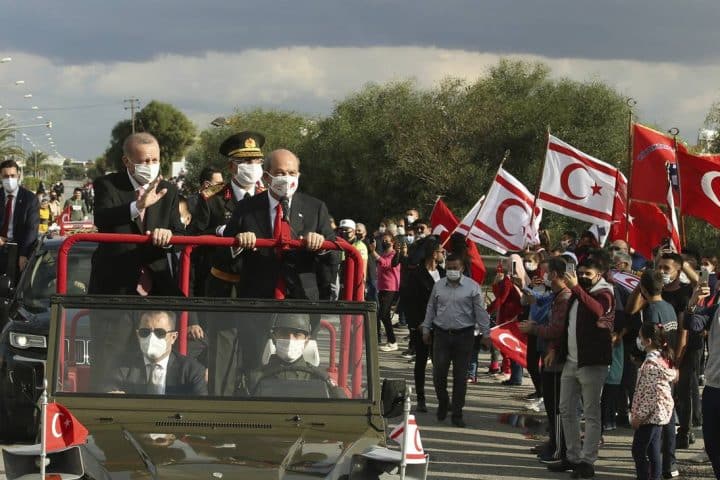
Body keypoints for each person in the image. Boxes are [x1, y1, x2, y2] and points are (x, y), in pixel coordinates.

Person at [90, 132, 186, 386]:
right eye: (144, 160)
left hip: (156, 293)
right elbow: (102, 218)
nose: (150, 165)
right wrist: (137, 206)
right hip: (115, 291)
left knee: (155, 362)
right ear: (127, 161)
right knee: (109, 361)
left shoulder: (169, 190)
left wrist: (170, 235)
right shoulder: (107, 185)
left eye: (155, 159)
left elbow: (180, 232)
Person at [550, 257, 614, 478]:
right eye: (581, 272)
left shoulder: (605, 293)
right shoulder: (576, 295)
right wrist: (555, 349)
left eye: (588, 274)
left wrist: (576, 287)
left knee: (591, 413)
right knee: (566, 409)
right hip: (571, 360)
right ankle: (572, 456)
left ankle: (587, 461)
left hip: (592, 363)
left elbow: (599, 311)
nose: (583, 277)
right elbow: (568, 324)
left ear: (600, 274)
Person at [422, 254, 491, 428]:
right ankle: (443, 401)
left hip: (464, 335)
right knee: (439, 374)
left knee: (460, 377)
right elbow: (431, 308)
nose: (452, 270)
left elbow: (480, 312)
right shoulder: (439, 286)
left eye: (455, 267)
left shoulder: (472, 287)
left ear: (462, 268)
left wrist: (486, 333)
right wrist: (426, 329)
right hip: (441, 334)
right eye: (449, 267)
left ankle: (457, 412)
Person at [519, 256, 573, 465]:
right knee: (551, 405)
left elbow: (557, 330)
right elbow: (541, 306)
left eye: (547, 273)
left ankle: (560, 449)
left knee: (558, 407)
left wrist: (533, 329)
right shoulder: (556, 295)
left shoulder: (565, 298)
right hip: (550, 355)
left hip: (558, 360)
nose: (544, 277)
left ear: (556, 275)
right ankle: (553, 443)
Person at [199, 132, 266, 298]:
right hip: (222, 285)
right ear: (231, 167)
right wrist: (219, 231)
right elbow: (196, 235)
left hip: (259, 285)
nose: (253, 166)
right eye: (247, 162)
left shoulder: (268, 198)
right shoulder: (212, 198)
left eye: (257, 161)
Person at [103, 311, 207, 395]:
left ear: (173, 337)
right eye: (145, 332)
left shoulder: (192, 370)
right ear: (138, 335)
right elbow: (109, 395)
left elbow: (200, 412)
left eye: (160, 333)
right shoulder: (120, 367)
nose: (151, 338)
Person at [246, 313, 341, 398]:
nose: (290, 339)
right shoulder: (254, 379)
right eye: (284, 333)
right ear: (274, 338)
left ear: (306, 340)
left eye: (297, 334)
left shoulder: (321, 379)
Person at [404, 237, 445, 413]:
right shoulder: (416, 275)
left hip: (442, 326)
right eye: (441, 251)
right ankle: (421, 399)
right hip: (423, 326)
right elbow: (409, 302)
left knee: (440, 364)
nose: (443, 254)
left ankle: (443, 398)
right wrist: (418, 324)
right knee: (421, 362)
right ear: (432, 253)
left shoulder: (444, 274)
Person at [631, 322, 677, 480]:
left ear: (648, 341)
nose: (638, 340)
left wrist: (638, 416)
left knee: (638, 450)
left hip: (650, 416)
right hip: (658, 414)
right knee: (653, 450)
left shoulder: (651, 366)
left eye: (640, 337)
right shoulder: (661, 358)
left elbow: (650, 396)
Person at [686, 282, 720, 477]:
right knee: (712, 443)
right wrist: (693, 301)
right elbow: (691, 324)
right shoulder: (714, 310)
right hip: (714, 388)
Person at [0, 159, 39, 276]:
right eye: (5, 176)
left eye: (12, 175)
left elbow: (32, 228)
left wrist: (24, 254)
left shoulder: (30, 199)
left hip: (19, 251)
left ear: (18, 175)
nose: (9, 179)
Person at [369, 232, 400, 351]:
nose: (385, 242)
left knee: (383, 314)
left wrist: (373, 251)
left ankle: (392, 341)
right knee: (384, 314)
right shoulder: (384, 253)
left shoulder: (394, 254)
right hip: (382, 287)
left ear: (392, 242)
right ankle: (391, 341)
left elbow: (385, 263)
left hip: (390, 287)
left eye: (387, 240)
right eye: (383, 240)